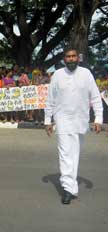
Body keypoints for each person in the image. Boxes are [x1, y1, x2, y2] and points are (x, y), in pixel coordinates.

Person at [44, 47, 103, 205]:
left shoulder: (86, 74)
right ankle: (67, 189)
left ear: (78, 58)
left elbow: (96, 98)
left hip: (80, 120)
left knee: (74, 155)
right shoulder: (57, 75)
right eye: (68, 57)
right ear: (64, 59)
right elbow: (50, 99)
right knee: (64, 154)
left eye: (73, 56)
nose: (71, 59)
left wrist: (98, 119)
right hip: (62, 119)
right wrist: (47, 120)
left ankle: (71, 185)